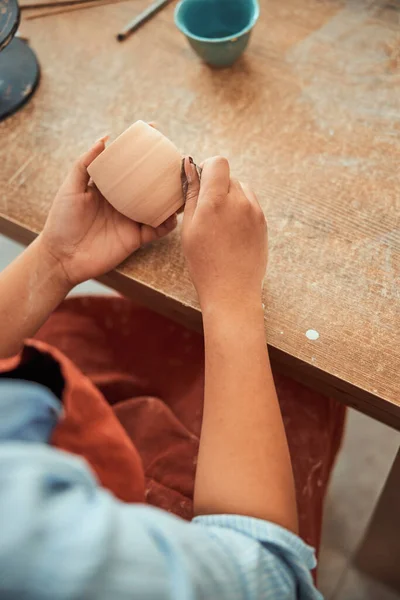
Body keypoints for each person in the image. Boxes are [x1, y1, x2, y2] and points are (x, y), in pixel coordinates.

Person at [0, 139, 329, 599]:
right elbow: (262, 574)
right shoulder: (20, 542)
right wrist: (231, 298)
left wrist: (56, 258)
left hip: (37, 417)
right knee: (299, 386)